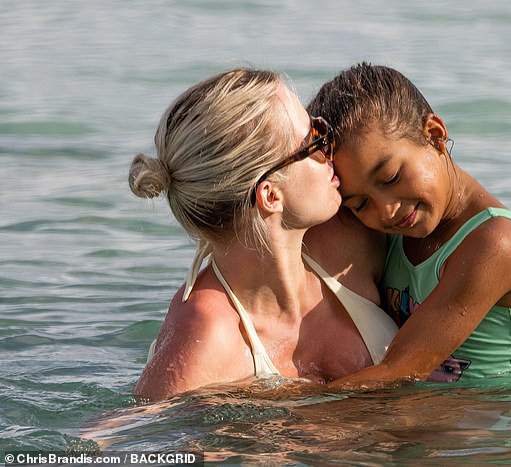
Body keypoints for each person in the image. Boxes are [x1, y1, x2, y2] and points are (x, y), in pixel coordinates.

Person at [129, 68, 399, 401]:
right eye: (314, 141)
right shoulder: (208, 333)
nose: (330, 151)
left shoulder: (352, 239)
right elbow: (128, 437)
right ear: (270, 196)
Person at [307, 63, 511, 385]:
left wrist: (283, 407)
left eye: (391, 177)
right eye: (361, 203)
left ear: (435, 136)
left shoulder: (495, 242)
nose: (387, 210)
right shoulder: (389, 232)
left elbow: (399, 371)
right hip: (420, 415)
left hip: (484, 428)